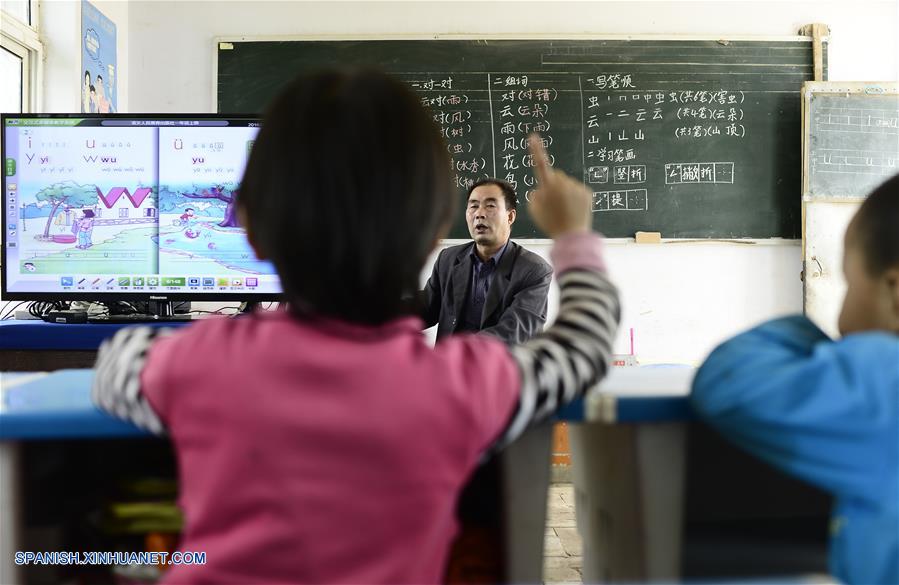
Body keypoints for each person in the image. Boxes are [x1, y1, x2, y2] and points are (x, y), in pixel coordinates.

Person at [91, 69, 620, 584]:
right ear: (435, 233)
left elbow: (117, 361)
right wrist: (573, 234)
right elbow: (585, 345)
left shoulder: (198, 363)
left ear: (248, 224)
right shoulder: (463, 387)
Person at [691, 173, 899, 585]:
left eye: (849, 284)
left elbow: (729, 380)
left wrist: (805, 334)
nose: (842, 315)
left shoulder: (880, 379)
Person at [422, 178, 552, 344]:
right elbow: (426, 307)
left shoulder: (534, 270)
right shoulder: (448, 258)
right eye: (473, 206)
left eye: (490, 206)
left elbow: (514, 332)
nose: (479, 214)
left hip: (496, 360)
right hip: (448, 360)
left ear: (510, 216)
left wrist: (457, 352)